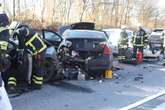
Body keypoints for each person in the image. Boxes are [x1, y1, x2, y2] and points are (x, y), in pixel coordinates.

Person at [7, 22, 47, 92]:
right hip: (36, 51)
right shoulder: (22, 31)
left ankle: (37, 85)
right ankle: (34, 83)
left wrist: (22, 53)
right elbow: (21, 45)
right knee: (35, 66)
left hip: (40, 50)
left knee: (38, 67)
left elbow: (22, 45)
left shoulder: (23, 30)